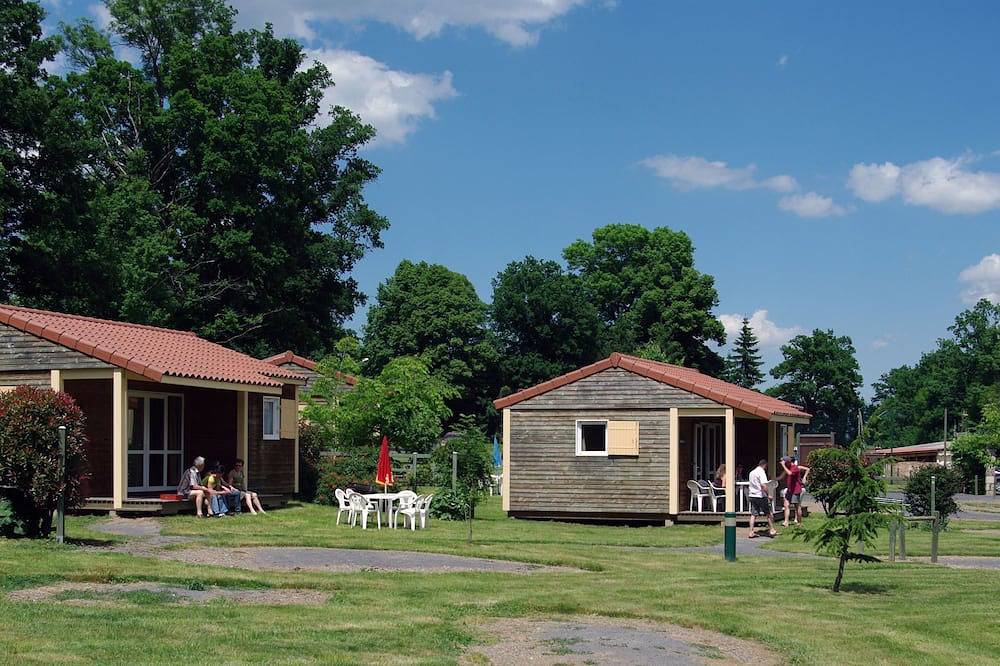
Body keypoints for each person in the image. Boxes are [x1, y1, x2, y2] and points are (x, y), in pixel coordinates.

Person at [747, 458, 777, 538]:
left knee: (753, 514)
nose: (766, 468)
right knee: (768, 513)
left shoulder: (751, 472)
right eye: (766, 466)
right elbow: (764, 485)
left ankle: (751, 532)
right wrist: (769, 494)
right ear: (764, 465)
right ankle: (772, 529)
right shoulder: (761, 472)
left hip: (752, 495)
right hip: (760, 496)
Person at [781, 455, 810, 527]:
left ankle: (799, 522)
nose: (783, 463)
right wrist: (773, 479)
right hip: (789, 490)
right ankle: (786, 522)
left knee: (797, 506)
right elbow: (782, 475)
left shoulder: (795, 467)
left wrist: (804, 478)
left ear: (788, 462)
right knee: (786, 505)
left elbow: (790, 473)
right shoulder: (788, 467)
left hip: (795, 490)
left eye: (784, 462)